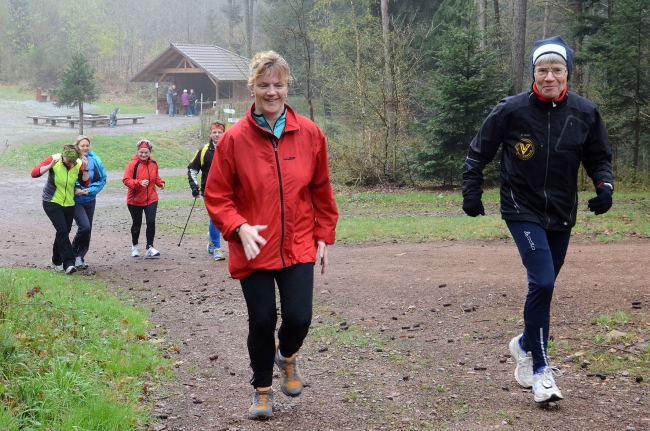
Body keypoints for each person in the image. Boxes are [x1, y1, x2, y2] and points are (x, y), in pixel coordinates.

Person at [461, 36, 613, 404]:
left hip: (562, 211)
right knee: (542, 281)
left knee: (544, 286)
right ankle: (542, 370)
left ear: (567, 74)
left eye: (556, 70)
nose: (549, 76)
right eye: (542, 69)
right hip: (521, 207)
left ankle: (525, 342)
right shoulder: (511, 110)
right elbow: (480, 149)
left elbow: (598, 156)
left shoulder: (585, 112)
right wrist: (471, 189)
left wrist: (604, 185)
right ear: (533, 72)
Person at [203, 50, 338, 419]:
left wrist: (324, 234)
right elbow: (216, 194)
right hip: (253, 247)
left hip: (298, 243)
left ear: (287, 87)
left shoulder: (310, 133)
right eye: (264, 85)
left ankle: (287, 355)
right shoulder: (233, 140)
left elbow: (321, 190)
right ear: (252, 88)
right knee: (261, 320)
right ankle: (262, 390)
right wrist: (238, 226)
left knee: (299, 318)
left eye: (278, 84)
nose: (272, 91)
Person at [31, 144, 90, 275]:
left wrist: (85, 169)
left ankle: (56, 260)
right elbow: (34, 173)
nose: (71, 164)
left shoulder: (78, 163)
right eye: (69, 161)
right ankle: (69, 263)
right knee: (62, 230)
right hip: (51, 201)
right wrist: (49, 166)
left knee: (64, 231)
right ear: (64, 157)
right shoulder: (55, 159)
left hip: (69, 203)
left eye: (73, 162)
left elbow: (85, 182)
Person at [187, 121, 226, 260]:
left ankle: (211, 238)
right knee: (215, 218)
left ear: (224, 134)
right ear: (210, 134)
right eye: (214, 132)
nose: (216, 135)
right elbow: (192, 169)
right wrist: (194, 187)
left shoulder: (231, 148)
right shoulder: (203, 150)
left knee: (226, 219)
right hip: (210, 191)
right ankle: (217, 248)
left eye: (219, 132)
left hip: (228, 190)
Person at [123, 139, 165, 258]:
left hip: (151, 198)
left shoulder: (154, 163)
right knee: (137, 223)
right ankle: (135, 247)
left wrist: (160, 183)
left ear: (150, 152)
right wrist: (139, 182)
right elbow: (126, 180)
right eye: (141, 152)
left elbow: (155, 176)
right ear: (138, 151)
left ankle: (150, 247)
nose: (143, 154)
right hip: (135, 200)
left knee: (151, 222)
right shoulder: (133, 164)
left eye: (146, 152)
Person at [71, 135, 107, 269]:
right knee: (84, 227)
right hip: (75, 200)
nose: (85, 148)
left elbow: (102, 178)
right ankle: (72, 253)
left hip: (90, 199)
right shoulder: (72, 159)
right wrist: (77, 189)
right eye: (82, 146)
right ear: (77, 147)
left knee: (88, 229)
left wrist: (89, 190)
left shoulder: (95, 159)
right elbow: (68, 176)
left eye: (87, 145)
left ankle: (80, 256)